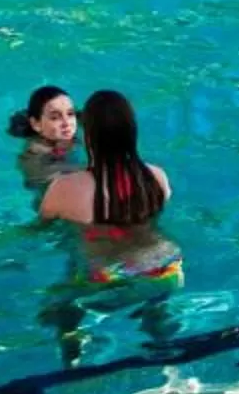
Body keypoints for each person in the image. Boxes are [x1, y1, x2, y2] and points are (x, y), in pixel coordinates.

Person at [39, 89, 181, 282]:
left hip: (108, 275)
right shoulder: (158, 177)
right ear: (131, 131)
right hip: (166, 265)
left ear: (89, 136)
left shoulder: (65, 188)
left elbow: (42, 228)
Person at [8, 84, 81, 189]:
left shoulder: (76, 128)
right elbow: (37, 180)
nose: (67, 123)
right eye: (55, 117)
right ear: (36, 124)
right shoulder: (35, 154)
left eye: (70, 113)